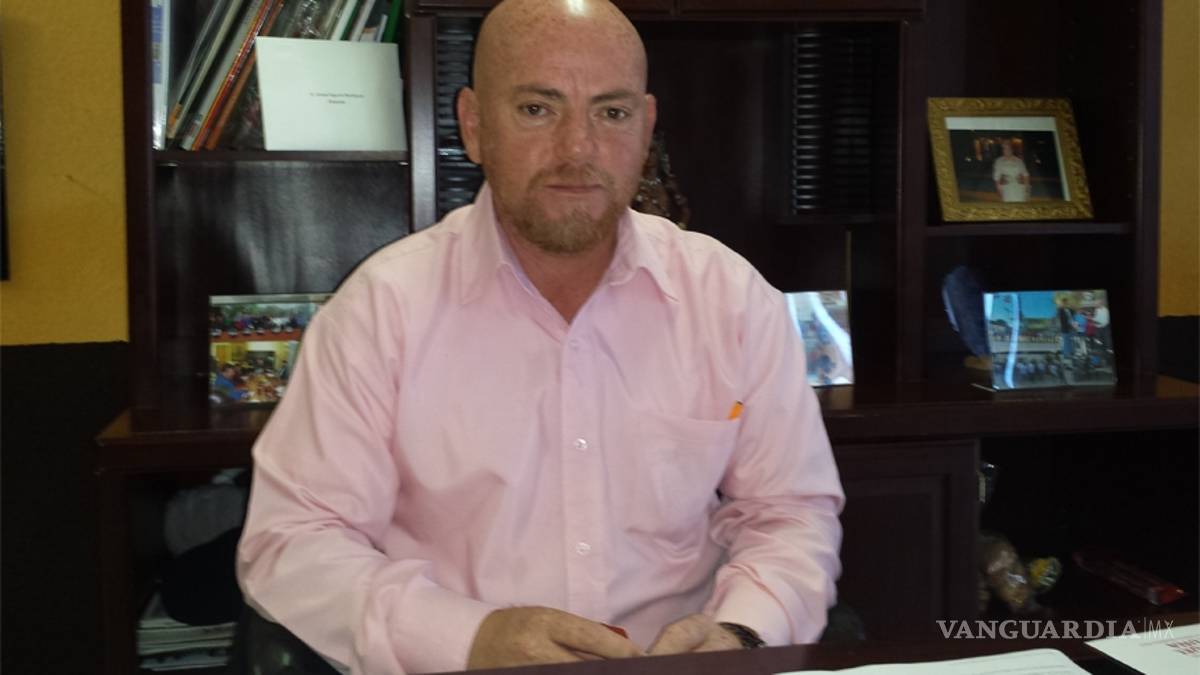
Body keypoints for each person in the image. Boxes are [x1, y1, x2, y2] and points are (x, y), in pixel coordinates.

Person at [236, 1, 844, 673]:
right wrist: (467, 639)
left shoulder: (730, 299)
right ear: (474, 125)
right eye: (537, 108)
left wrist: (741, 634)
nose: (577, 148)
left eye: (611, 113)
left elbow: (789, 512)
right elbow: (292, 542)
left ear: (645, 129)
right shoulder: (380, 312)